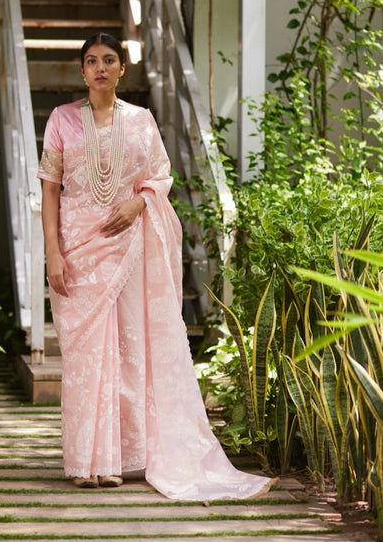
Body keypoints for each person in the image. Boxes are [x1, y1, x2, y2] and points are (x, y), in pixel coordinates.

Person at [37, 32, 278, 501]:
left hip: (128, 245)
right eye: (91, 61)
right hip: (77, 247)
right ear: (82, 70)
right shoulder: (62, 120)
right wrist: (53, 251)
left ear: (122, 69)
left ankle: (120, 460)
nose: (100, 68)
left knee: (129, 349)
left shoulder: (142, 121)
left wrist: (140, 203)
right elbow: (50, 188)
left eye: (109, 60)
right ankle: (88, 461)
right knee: (86, 356)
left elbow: (160, 176)